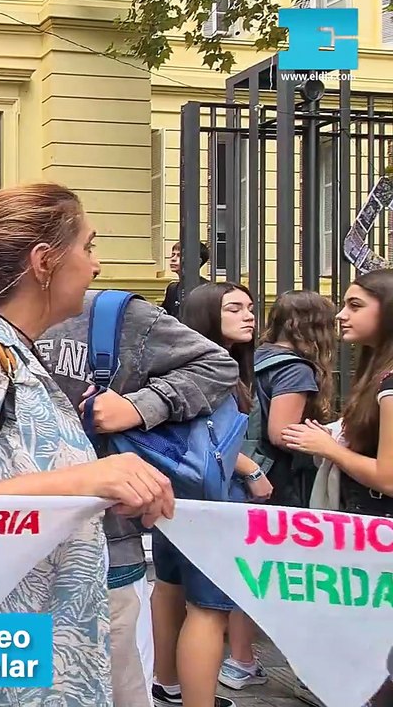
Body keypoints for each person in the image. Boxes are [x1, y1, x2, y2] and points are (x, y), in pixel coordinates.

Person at [0, 183, 174, 706]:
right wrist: (81, 480)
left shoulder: (12, 350)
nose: (97, 266)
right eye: (88, 247)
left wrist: (99, 491)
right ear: (45, 261)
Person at [36, 282, 239, 707]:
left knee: (117, 684)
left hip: (106, 544)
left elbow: (216, 366)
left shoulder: (109, 314)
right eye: (86, 247)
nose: (93, 265)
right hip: (7, 549)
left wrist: (141, 406)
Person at [150, 282, 270, 707]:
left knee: (169, 587)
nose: (249, 316)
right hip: (214, 500)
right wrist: (252, 468)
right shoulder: (216, 370)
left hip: (174, 497)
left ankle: (168, 685)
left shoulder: (175, 365)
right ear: (206, 316)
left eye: (251, 307)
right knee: (210, 606)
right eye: (235, 308)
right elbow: (214, 441)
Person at [283, 269, 393, 707]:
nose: (340, 316)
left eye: (355, 305)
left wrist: (328, 448)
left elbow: (388, 476)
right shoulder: (377, 373)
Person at [222, 289, 336, 691]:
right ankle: (270, 664)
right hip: (279, 479)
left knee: (249, 572)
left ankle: (240, 661)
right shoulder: (296, 369)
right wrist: (328, 440)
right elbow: (280, 432)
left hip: (247, 472)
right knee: (286, 576)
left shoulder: (262, 356)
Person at [161, 241, 210, 317]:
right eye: (173, 255)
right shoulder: (172, 288)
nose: (173, 259)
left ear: (197, 261)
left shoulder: (207, 288)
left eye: (179, 255)